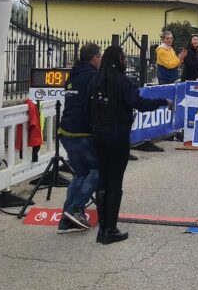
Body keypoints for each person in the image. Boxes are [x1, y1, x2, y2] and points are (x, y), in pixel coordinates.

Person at [90, 46, 173, 244]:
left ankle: (102, 227)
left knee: (102, 181)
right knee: (115, 181)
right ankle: (110, 228)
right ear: (118, 59)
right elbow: (139, 103)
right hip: (117, 137)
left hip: (99, 136)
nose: (125, 61)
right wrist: (162, 101)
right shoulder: (122, 82)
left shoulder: (95, 80)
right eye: (123, 58)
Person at [57, 43, 102, 234]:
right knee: (99, 169)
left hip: (65, 131)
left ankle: (66, 220)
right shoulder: (93, 76)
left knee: (80, 173)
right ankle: (76, 208)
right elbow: (96, 105)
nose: (101, 61)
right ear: (94, 57)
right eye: (100, 57)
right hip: (82, 132)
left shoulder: (72, 76)